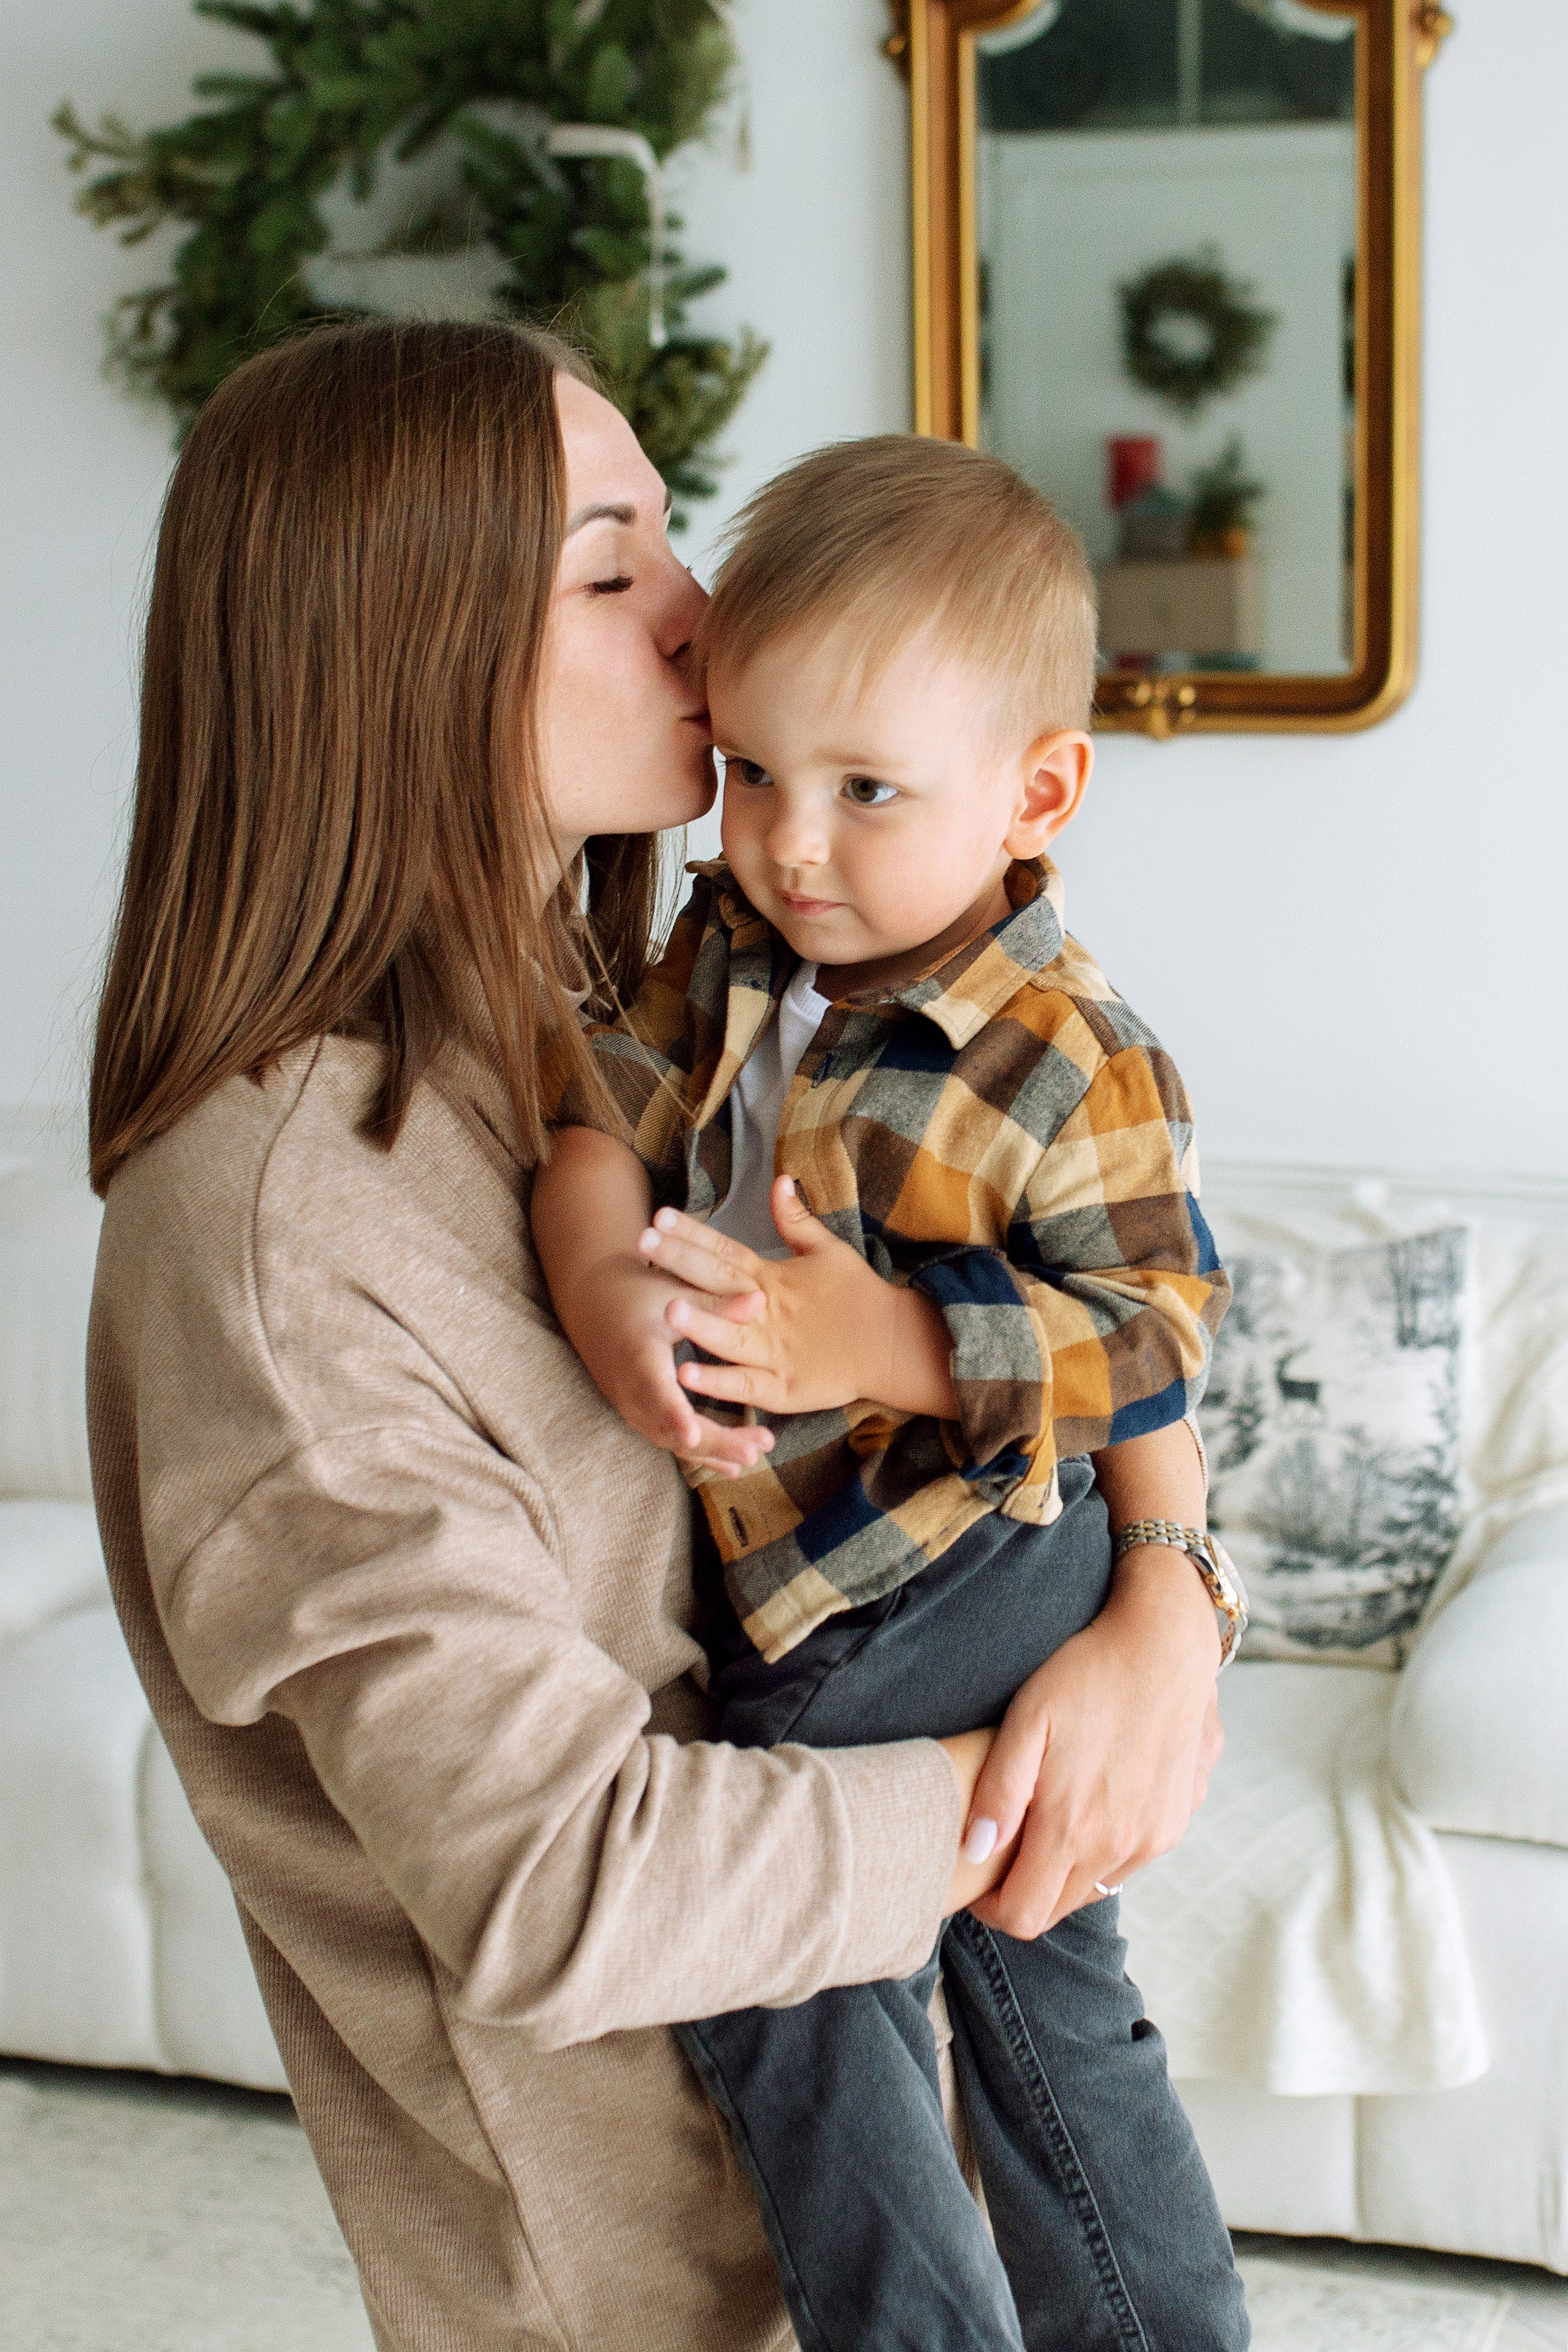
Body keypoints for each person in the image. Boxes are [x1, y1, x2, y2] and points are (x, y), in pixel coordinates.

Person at [85, 317, 1229, 2352]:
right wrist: (1034, 1798)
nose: (705, 614)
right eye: (612, 572)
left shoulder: (626, 995)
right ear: (403, 661)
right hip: (648, 2298)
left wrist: (1165, 1605)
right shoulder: (274, 1227)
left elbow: (1101, 1282)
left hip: (863, 2202)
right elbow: (567, 1887)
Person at [531, 436, 1250, 2352]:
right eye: (753, 773)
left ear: (1037, 793)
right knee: (1038, 1981)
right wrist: (607, 1276)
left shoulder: (1070, 1049)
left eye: (868, 792)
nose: (790, 842)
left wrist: (893, 1348)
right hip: (829, 1584)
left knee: (774, 1951)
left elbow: (1163, 1333)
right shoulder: (725, 949)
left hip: (957, 1573)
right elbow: (591, 1120)